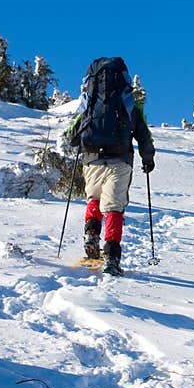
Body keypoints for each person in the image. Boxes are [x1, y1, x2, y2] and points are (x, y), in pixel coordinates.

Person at [65, 57, 155, 276]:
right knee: (114, 207)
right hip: (120, 160)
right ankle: (112, 257)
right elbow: (142, 132)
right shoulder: (128, 102)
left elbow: (71, 136)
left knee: (94, 199)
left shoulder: (90, 100)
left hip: (92, 160)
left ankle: (91, 236)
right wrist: (148, 157)